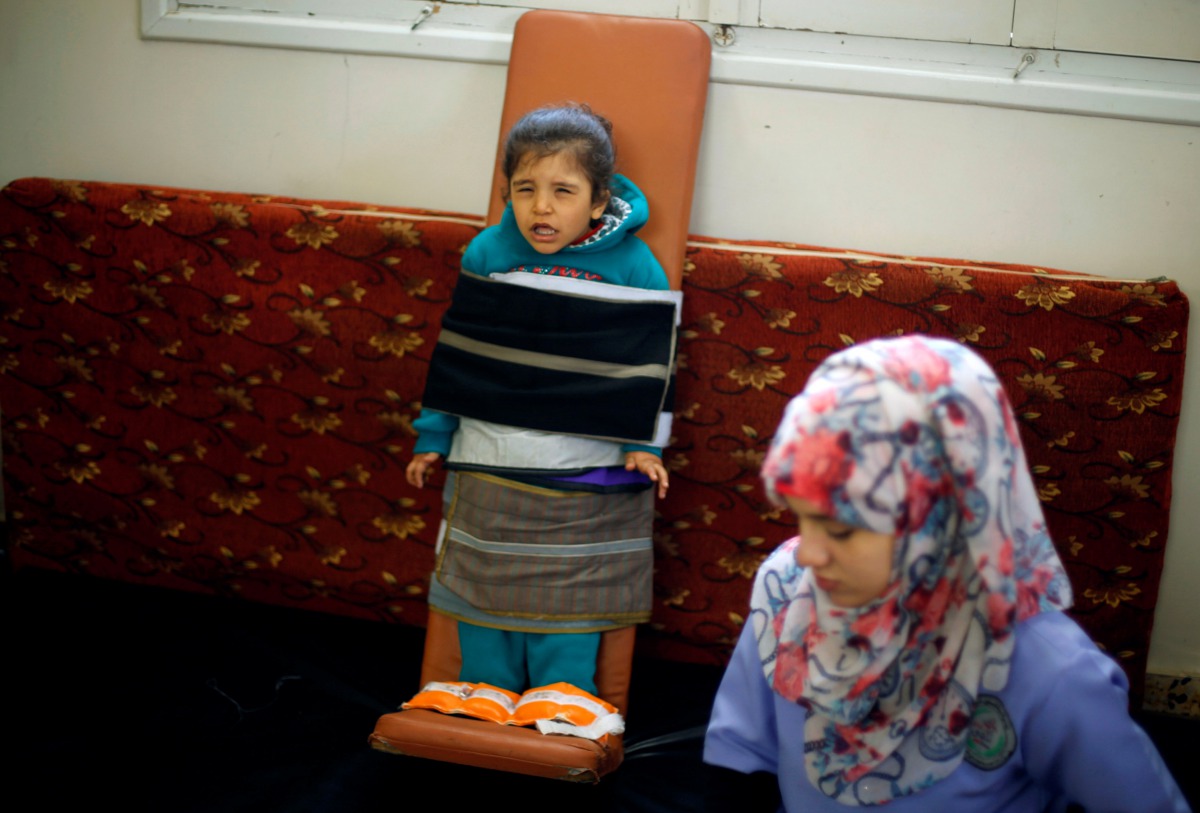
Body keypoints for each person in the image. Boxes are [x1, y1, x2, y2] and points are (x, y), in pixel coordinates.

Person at [703, 335, 1190, 812]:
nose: (807, 554)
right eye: (800, 515)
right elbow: (741, 758)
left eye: (843, 531)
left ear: (942, 521)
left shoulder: (1049, 673)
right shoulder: (788, 589)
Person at [405, 103, 676, 697]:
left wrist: (641, 445)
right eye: (525, 190)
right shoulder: (488, 254)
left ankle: (563, 698)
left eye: (562, 190)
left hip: (585, 463)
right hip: (490, 455)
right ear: (507, 194)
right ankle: (483, 693)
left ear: (599, 201)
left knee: (573, 586)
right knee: (484, 576)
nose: (542, 207)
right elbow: (461, 354)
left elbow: (651, 363)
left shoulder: (635, 267)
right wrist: (433, 436)